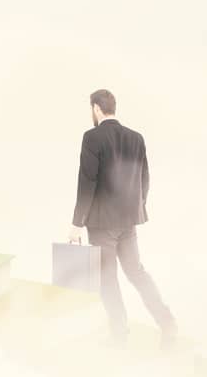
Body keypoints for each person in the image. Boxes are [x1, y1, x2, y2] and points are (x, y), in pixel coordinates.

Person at [69, 89, 178, 347]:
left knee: (108, 279)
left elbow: (87, 181)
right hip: (128, 222)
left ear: (96, 108)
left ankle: (119, 335)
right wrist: (137, 207)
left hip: (101, 224)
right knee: (137, 273)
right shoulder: (136, 138)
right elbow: (144, 179)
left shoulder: (92, 137)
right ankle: (167, 322)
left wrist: (76, 223)